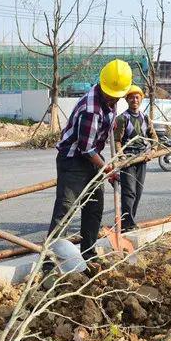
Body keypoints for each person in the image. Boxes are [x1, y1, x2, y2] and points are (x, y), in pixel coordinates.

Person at [48, 59, 132, 261]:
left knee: (94, 208)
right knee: (65, 212)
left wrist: (109, 126)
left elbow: (98, 140)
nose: (113, 99)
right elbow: (86, 149)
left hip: (92, 158)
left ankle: (89, 254)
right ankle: (49, 261)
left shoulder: (111, 102)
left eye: (117, 96)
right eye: (111, 96)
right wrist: (107, 169)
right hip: (74, 161)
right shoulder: (91, 109)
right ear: (102, 85)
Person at [113, 85, 158, 231]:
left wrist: (152, 151)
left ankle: (129, 220)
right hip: (128, 160)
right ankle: (128, 223)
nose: (134, 100)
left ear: (141, 99)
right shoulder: (122, 119)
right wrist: (122, 156)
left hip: (142, 158)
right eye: (131, 97)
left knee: (138, 192)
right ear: (127, 100)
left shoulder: (145, 118)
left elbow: (154, 137)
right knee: (129, 191)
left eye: (137, 97)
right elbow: (117, 141)